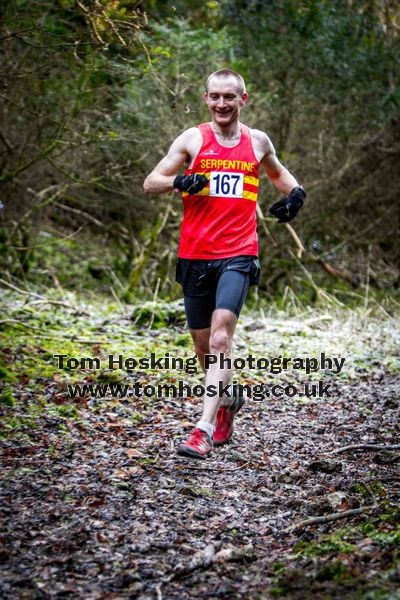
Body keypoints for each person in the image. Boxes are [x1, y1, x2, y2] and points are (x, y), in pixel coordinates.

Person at [143, 69, 306, 459]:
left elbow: (281, 175)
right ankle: (229, 400)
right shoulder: (192, 138)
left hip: (239, 252)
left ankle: (201, 429)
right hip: (195, 255)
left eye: (228, 98)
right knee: (205, 348)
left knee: (220, 339)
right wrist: (181, 182)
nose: (221, 104)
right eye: (214, 97)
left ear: (242, 100)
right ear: (206, 99)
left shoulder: (257, 141)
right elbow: (151, 182)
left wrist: (296, 195)